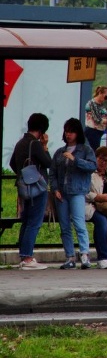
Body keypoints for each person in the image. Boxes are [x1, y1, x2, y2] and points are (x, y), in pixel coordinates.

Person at [52, 117, 97, 270]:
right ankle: (70, 256)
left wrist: (75, 159)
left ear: (77, 133)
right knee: (64, 226)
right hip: (62, 193)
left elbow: (92, 166)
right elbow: (53, 173)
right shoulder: (59, 152)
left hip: (77, 191)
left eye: (71, 131)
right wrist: (55, 189)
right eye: (66, 131)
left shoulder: (85, 150)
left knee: (79, 222)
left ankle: (85, 254)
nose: (68, 134)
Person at [10, 113, 53, 270]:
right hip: (37, 187)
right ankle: (28, 258)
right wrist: (45, 146)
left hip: (24, 187)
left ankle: (23, 256)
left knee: (26, 221)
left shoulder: (21, 142)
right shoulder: (35, 144)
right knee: (34, 222)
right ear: (42, 130)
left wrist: (24, 175)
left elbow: (12, 163)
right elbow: (48, 162)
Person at [83, 85, 107, 150]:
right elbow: (97, 119)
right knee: (96, 150)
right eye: (105, 96)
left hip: (100, 130)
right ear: (100, 93)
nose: (105, 98)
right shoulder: (92, 104)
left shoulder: (102, 105)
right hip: (93, 130)